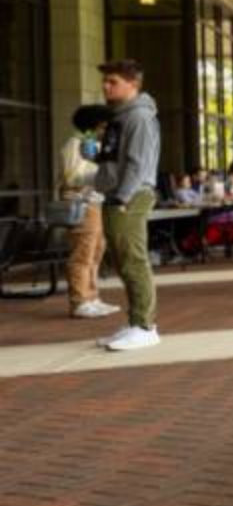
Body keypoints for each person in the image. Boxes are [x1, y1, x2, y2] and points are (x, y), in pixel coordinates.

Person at [93, 59, 162, 351]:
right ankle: (136, 322)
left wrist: (123, 196)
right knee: (123, 261)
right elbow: (114, 161)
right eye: (105, 81)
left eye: (113, 82)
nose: (106, 86)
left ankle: (145, 326)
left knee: (133, 260)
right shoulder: (120, 117)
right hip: (117, 195)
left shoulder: (139, 117)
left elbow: (138, 162)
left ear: (133, 84)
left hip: (129, 196)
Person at [60, 104, 117, 320]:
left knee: (95, 252)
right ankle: (79, 301)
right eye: (103, 125)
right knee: (82, 254)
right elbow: (71, 178)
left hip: (95, 203)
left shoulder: (91, 144)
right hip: (81, 203)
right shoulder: (75, 144)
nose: (106, 129)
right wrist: (102, 177)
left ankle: (91, 297)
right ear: (94, 124)